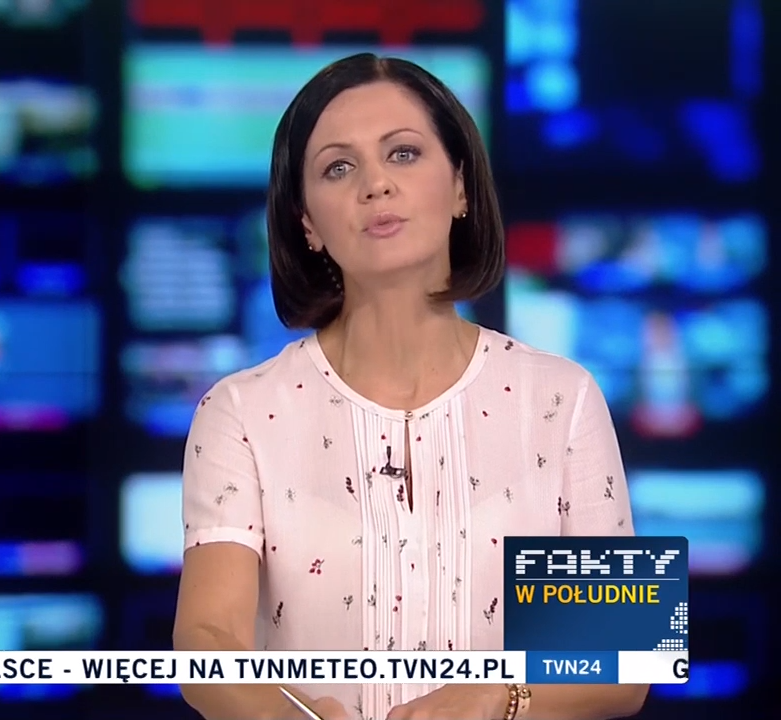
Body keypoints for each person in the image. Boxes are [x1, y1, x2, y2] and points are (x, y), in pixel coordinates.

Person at [171, 53, 648, 720]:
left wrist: (500, 699)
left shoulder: (561, 398)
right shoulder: (241, 411)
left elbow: (622, 664)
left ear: (460, 187)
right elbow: (207, 640)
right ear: (307, 223)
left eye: (403, 154)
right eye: (339, 168)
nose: (376, 185)